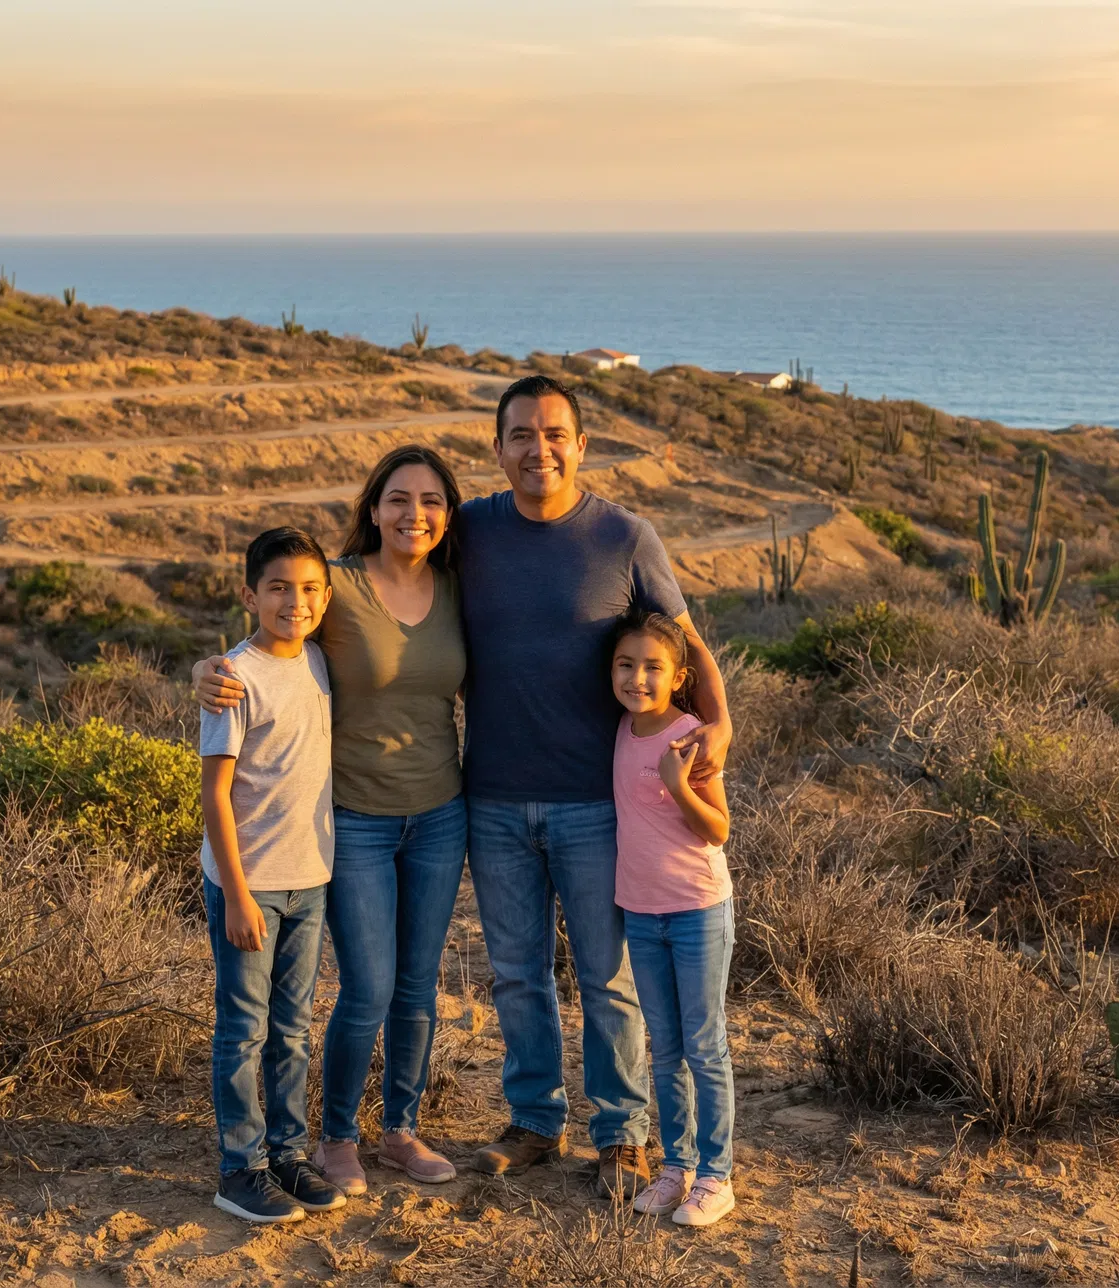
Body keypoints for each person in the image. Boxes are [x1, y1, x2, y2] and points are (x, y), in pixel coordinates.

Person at [462, 374, 733, 1199]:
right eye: (520, 435)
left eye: (554, 435)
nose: (537, 449)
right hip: (494, 794)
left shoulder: (624, 535)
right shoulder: (469, 531)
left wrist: (719, 725)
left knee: (605, 975)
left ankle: (622, 1134)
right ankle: (536, 1123)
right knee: (515, 970)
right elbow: (369, 580)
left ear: (581, 446)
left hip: (594, 802)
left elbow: (688, 645)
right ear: (498, 446)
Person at [194, 446, 469, 1197]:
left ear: (449, 513)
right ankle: (337, 1137)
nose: (415, 515)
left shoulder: (457, 587)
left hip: (442, 813)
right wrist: (204, 669)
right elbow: (273, 634)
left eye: (432, 501)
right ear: (373, 507)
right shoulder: (340, 586)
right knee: (367, 988)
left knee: (418, 986)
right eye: (399, 499)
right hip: (353, 821)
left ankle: (400, 1132)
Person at [200, 526, 344, 1224]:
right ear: (250, 594)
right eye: (280, 587)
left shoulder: (318, 659)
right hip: (249, 885)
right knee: (243, 1031)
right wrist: (234, 893)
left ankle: (288, 1154)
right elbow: (215, 795)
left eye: (311, 588)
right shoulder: (234, 677)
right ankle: (241, 1168)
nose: (297, 600)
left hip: (310, 879)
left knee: (293, 1029)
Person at [608, 612, 737, 1228]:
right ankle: (675, 1169)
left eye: (653, 667)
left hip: (696, 909)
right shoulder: (622, 729)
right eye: (626, 665)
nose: (637, 678)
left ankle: (717, 1177)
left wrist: (678, 784)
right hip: (641, 910)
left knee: (704, 1046)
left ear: (678, 676)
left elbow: (718, 830)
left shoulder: (690, 736)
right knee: (664, 1050)